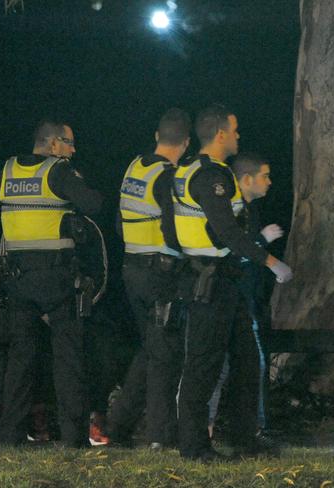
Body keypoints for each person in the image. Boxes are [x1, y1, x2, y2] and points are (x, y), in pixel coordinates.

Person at [0, 120, 103, 447]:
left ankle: (8, 437)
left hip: (17, 281)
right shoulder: (58, 171)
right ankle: (73, 440)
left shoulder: (7, 170)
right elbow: (94, 204)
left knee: (19, 362)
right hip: (57, 280)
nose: (73, 150)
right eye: (69, 143)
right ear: (54, 144)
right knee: (69, 360)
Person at [172, 104, 293, 461]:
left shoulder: (188, 168)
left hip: (220, 278)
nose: (238, 136)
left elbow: (172, 224)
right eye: (235, 130)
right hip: (210, 281)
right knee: (203, 366)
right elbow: (227, 232)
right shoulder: (213, 177)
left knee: (246, 360)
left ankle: (246, 439)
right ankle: (194, 448)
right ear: (221, 133)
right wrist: (273, 262)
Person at [103, 108, 191, 448]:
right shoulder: (167, 177)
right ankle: (160, 437)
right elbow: (172, 230)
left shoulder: (135, 167)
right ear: (185, 143)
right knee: (165, 356)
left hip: (131, 269)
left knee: (150, 349)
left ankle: (119, 425)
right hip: (160, 274)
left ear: (157, 136)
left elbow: (119, 219)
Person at [207, 153, 283, 440]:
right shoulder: (232, 212)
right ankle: (224, 427)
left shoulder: (250, 212)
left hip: (245, 302)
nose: (270, 182)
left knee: (246, 365)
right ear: (247, 179)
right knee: (227, 366)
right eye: (265, 175)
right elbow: (235, 252)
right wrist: (262, 243)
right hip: (229, 301)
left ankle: (250, 427)